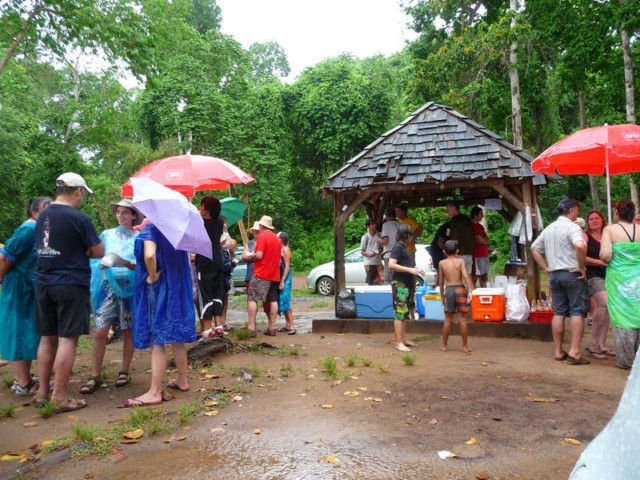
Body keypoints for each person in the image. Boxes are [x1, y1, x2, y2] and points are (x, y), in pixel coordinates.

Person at [34, 173, 104, 412]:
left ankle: (42, 392)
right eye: (83, 193)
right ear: (78, 191)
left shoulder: (42, 214)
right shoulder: (79, 218)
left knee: (47, 336)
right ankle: (60, 397)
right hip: (70, 283)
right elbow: (98, 250)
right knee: (67, 339)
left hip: (43, 281)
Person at [125, 221, 196, 406]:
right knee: (176, 337)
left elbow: (149, 255)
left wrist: (153, 275)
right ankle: (183, 380)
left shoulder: (151, 228)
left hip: (160, 288)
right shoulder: (176, 229)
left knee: (159, 338)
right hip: (178, 288)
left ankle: (154, 392)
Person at [81, 199, 139, 394]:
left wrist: (133, 266)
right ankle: (94, 375)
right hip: (107, 288)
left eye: (125, 212)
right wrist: (102, 264)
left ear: (133, 215)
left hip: (130, 289)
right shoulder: (107, 235)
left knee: (129, 329)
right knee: (100, 331)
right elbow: (95, 258)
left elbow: (143, 263)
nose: (120, 215)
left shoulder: (138, 237)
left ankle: (125, 370)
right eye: (118, 212)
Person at [0, 197, 51, 396]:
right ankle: (24, 383)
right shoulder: (28, 230)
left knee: (28, 332)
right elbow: (5, 257)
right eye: (45, 210)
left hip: (30, 289)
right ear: (34, 213)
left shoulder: (41, 231)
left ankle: (26, 378)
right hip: (19, 290)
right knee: (20, 332)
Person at [531, 198, 589, 365]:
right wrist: (582, 266)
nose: (578, 211)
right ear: (571, 210)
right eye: (577, 208)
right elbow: (580, 246)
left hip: (555, 275)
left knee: (559, 312)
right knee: (578, 311)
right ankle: (575, 351)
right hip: (572, 273)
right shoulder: (572, 227)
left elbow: (534, 248)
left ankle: (558, 351)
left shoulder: (549, 228)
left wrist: (545, 267)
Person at [599, 199, 640, 370]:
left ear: (616, 212)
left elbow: (606, 256)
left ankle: (626, 359)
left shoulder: (610, 230)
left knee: (622, 315)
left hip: (619, 281)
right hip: (638, 278)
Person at [583, 210, 614, 360]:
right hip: (593, 276)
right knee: (604, 304)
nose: (594, 221)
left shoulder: (609, 235)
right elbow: (581, 257)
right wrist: (600, 262)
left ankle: (601, 345)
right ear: (588, 222)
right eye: (591, 219)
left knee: (608, 309)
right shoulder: (585, 236)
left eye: (596, 218)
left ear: (602, 220)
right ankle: (593, 345)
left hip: (612, 276)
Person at [243, 215, 281, 336]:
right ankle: (272, 327)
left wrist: (250, 256)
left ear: (261, 226)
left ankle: (251, 328)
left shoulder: (262, 237)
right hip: (275, 274)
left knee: (252, 297)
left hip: (262, 273)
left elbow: (259, 255)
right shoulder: (277, 239)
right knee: (273, 300)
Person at [388, 224, 423, 351]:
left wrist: (415, 270)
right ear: (407, 236)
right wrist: (410, 269)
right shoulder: (397, 247)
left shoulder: (403, 248)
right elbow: (391, 265)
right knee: (399, 312)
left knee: (404, 313)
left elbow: (404, 265)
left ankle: (403, 339)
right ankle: (398, 343)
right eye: (411, 236)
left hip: (406, 285)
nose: (412, 239)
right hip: (400, 285)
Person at [195, 197, 225, 334]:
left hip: (204, 262)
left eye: (201, 206)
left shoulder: (200, 223)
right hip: (218, 261)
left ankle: (207, 329)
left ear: (205, 209)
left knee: (205, 294)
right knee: (217, 292)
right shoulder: (219, 222)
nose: (199, 208)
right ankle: (218, 325)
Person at [438, 240, 474, 353]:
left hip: (448, 289)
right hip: (460, 288)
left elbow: (440, 281)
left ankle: (444, 346)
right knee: (462, 319)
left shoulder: (442, 263)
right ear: (457, 251)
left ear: (444, 251)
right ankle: (465, 347)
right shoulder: (460, 261)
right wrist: (471, 291)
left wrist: (441, 295)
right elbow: (465, 275)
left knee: (448, 319)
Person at [445, 202, 474, 275]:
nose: (447, 212)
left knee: (458, 279)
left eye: (448, 210)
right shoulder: (467, 219)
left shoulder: (455, 220)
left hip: (459, 254)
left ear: (454, 208)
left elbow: (455, 239)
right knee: (468, 278)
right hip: (469, 254)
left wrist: (451, 253)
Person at [277, 231, 296, 334]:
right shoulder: (279, 249)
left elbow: (287, 266)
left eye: (277, 236)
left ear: (282, 239)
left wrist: (283, 280)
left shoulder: (286, 249)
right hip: (280, 277)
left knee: (285, 300)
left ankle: (292, 326)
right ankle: (287, 325)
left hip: (285, 277)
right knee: (281, 300)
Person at [470, 206, 490, 287]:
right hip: (477, 254)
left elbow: (487, 239)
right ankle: (474, 293)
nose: (483, 216)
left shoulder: (480, 226)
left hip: (484, 254)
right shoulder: (471, 226)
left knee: (484, 275)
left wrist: (484, 241)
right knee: (476, 276)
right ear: (475, 215)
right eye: (481, 214)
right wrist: (484, 241)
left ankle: (484, 291)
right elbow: (478, 239)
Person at [380, 208, 401, 282]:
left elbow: (385, 241)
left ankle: (390, 293)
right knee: (398, 278)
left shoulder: (386, 225)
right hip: (400, 255)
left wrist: (379, 240)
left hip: (389, 256)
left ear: (386, 216)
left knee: (389, 279)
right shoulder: (400, 225)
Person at [360, 219, 381, 285]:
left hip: (378, 262)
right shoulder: (365, 237)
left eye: (375, 224)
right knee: (370, 281)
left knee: (379, 281)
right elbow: (362, 251)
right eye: (372, 224)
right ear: (368, 226)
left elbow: (382, 248)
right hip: (368, 263)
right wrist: (368, 254)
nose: (374, 225)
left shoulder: (380, 235)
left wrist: (379, 251)